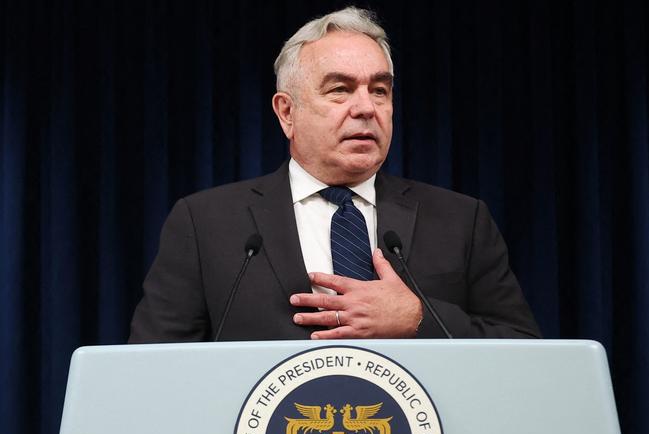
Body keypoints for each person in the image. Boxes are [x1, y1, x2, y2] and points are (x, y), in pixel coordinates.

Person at [129, 7, 540, 343]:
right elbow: (152, 370)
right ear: (287, 112)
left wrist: (418, 318)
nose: (366, 108)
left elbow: (523, 350)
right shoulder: (206, 224)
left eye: (379, 90)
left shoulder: (460, 220)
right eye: (340, 89)